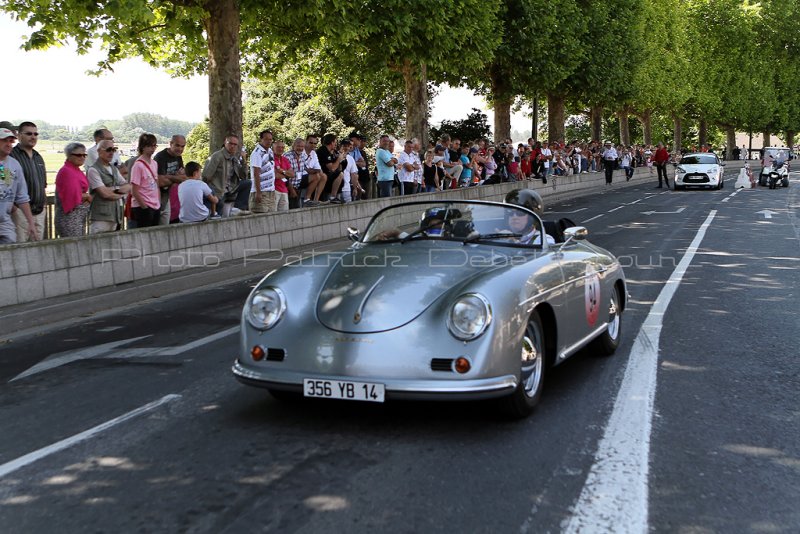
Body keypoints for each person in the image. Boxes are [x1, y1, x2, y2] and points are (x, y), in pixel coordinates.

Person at [0, 127, 39, 244]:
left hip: (4, 222)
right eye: (4, 140)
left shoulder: (12, 164)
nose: (8, 144)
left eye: (11, 141)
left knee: (10, 249)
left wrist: (31, 223)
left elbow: (20, 195)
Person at [10, 121, 46, 241]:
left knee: (37, 251)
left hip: (39, 212)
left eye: (36, 134)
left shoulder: (38, 157)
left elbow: (43, 185)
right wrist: (14, 208)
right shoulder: (11, 156)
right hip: (20, 213)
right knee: (20, 250)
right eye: (29, 133)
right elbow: (5, 184)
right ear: (19, 136)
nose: (33, 137)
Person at [87, 139, 130, 234]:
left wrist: (113, 190)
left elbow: (128, 186)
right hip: (100, 217)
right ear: (99, 151)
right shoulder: (93, 170)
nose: (111, 153)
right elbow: (105, 194)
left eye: (114, 150)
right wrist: (120, 192)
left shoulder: (113, 168)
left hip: (116, 216)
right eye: (108, 150)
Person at [202, 135, 249, 216]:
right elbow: (206, 176)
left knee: (248, 183)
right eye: (230, 143)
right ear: (225, 143)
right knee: (219, 215)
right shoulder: (217, 156)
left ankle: (238, 209)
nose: (233, 146)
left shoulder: (234, 158)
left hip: (231, 188)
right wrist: (211, 192)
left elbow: (243, 176)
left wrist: (244, 160)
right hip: (218, 190)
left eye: (235, 144)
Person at [55, 142, 92, 237]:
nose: (82, 157)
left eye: (84, 155)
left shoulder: (76, 170)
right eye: (79, 155)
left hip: (78, 217)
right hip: (69, 218)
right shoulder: (66, 171)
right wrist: (87, 196)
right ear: (69, 156)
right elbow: (72, 196)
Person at [129, 133, 161, 228]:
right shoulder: (138, 165)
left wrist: (158, 202)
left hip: (155, 205)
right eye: (149, 146)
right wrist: (144, 207)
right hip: (143, 206)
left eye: (154, 145)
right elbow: (134, 190)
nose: (153, 148)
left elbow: (157, 184)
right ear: (142, 147)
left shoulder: (155, 163)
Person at [153, 135, 186, 225]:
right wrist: (176, 177)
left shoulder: (178, 157)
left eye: (182, 146)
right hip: (156, 198)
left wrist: (168, 176)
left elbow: (183, 178)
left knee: (165, 228)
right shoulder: (160, 157)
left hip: (167, 198)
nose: (180, 149)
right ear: (170, 144)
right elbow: (160, 181)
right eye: (177, 145)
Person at [249, 129, 276, 214]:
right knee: (260, 215)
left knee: (272, 217)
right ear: (261, 139)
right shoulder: (257, 153)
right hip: (261, 191)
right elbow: (256, 173)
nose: (269, 141)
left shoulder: (270, 151)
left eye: (270, 139)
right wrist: (258, 192)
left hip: (271, 190)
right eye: (266, 139)